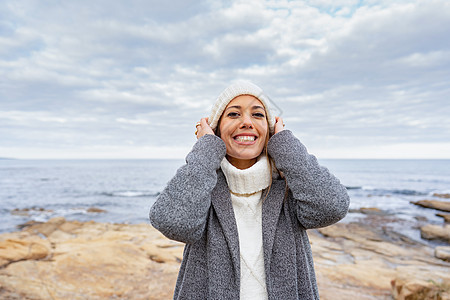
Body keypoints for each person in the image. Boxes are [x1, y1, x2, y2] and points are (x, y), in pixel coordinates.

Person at [149, 81, 350, 300]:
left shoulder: (291, 188)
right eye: (234, 114)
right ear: (215, 129)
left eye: (258, 115)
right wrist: (206, 149)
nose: (246, 122)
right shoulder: (201, 187)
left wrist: (285, 145)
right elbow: (174, 223)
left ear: (270, 130)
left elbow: (333, 207)